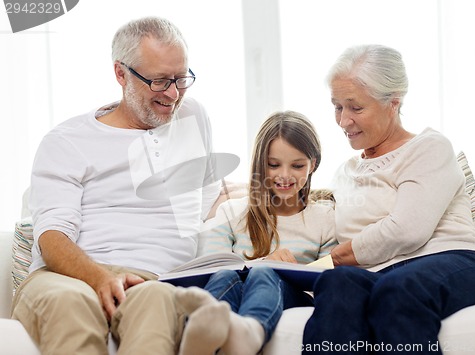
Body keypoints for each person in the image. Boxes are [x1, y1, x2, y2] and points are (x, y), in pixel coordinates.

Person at [10, 16, 231, 355]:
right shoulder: (67, 141)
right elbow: (52, 236)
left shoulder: (193, 118)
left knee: (159, 302)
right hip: (69, 277)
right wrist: (99, 278)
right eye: (159, 81)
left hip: (151, 280)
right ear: (121, 73)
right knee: (71, 306)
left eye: (181, 78)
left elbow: (207, 195)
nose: (173, 94)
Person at [302, 44, 475, 354]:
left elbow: (407, 229)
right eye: (337, 106)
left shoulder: (429, 147)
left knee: (398, 289)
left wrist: (330, 260)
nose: (342, 121)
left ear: (392, 102)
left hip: (455, 260)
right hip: (380, 273)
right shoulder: (344, 173)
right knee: (337, 286)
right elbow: (326, 232)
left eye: (355, 107)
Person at [174, 111, 337, 355]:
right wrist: (264, 261)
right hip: (233, 287)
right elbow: (209, 268)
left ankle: (250, 332)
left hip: (291, 295)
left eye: (297, 165)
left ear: (313, 164)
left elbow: (326, 282)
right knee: (222, 278)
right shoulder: (232, 211)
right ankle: (203, 335)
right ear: (260, 164)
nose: (284, 175)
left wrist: (279, 270)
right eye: (273, 165)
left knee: (263, 273)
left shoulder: (325, 218)